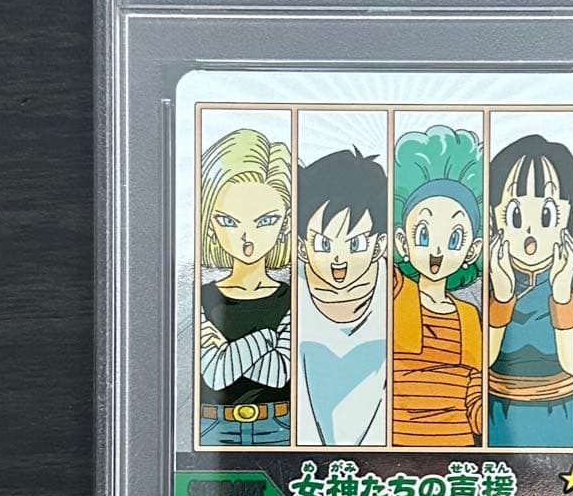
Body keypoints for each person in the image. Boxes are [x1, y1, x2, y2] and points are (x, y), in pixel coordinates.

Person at [198, 127, 291, 446]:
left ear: (286, 224)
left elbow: (279, 373)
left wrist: (228, 348)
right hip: (212, 425)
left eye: (265, 221)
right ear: (209, 223)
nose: (247, 237)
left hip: (280, 425)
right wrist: (267, 338)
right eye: (229, 221)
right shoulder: (201, 297)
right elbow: (214, 375)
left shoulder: (293, 299)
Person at [392, 124, 484, 447]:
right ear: (401, 242)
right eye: (424, 234)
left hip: (457, 447)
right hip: (394, 447)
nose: (437, 250)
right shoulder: (396, 292)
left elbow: (474, 387)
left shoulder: (469, 316)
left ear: (472, 251)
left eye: (454, 238)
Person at [487, 133, 573, 448]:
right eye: (514, 215)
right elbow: (481, 361)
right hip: (497, 411)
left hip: (562, 410)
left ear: (572, 220)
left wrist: (562, 296)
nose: (529, 230)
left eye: (546, 216)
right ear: (494, 219)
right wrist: (502, 298)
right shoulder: (486, 282)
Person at [296, 148, 388, 445]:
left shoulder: (400, 293)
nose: (339, 259)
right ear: (301, 247)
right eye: (323, 244)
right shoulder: (288, 297)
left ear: (379, 245)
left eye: (355, 244)